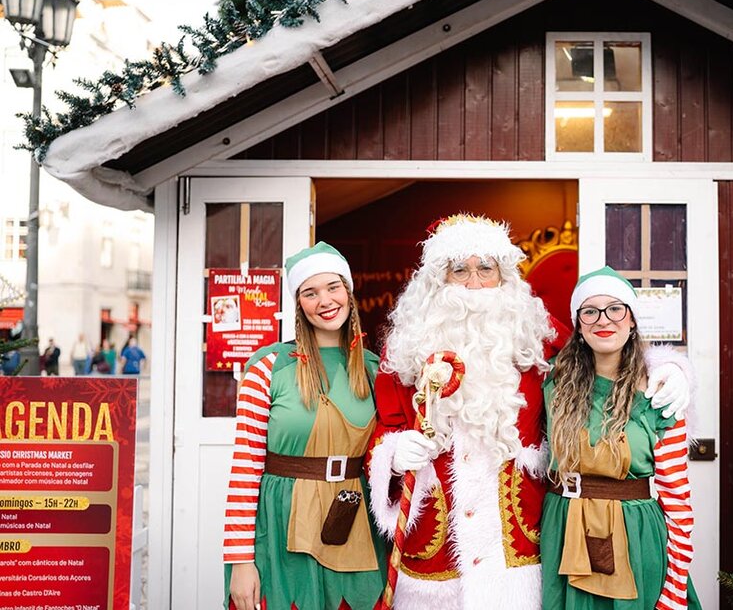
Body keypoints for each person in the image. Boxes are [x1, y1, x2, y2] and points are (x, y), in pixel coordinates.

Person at [366, 215, 693, 610]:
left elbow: (601, 353)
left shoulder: (534, 333)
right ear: (438, 279)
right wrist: (393, 453)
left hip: (520, 546)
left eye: (486, 268)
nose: (473, 282)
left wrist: (667, 368)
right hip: (436, 552)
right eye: (460, 270)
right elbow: (386, 427)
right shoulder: (406, 347)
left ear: (504, 277)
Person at [223, 241, 386, 610]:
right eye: (310, 293)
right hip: (280, 525)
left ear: (348, 291)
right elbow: (245, 469)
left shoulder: (376, 370)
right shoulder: (268, 366)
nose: (325, 301)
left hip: (354, 522)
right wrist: (239, 562)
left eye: (333, 287)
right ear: (299, 304)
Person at [542, 267, 700, 609]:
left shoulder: (659, 394)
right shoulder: (552, 385)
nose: (604, 319)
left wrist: (673, 593)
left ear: (632, 321)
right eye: (590, 311)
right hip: (562, 532)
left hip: (634, 539)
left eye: (616, 308)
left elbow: (679, 503)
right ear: (579, 325)